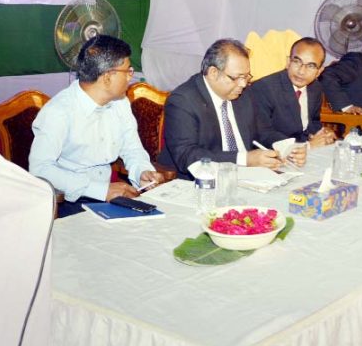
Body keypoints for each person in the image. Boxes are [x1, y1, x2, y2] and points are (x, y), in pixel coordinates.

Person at [29, 35, 167, 218]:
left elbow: (132, 149)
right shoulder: (59, 111)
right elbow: (40, 169)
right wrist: (100, 190)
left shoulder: (120, 103)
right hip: (69, 204)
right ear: (108, 77)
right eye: (127, 71)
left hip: (110, 199)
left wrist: (142, 171)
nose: (130, 78)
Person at [156, 39, 283, 180]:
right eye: (236, 77)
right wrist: (244, 159)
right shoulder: (183, 100)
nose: (243, 84)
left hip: (247, 177)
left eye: (246, 77)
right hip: (198, 182)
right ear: (213, 73)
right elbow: (187, 155)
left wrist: (286, 146)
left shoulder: (244, 94)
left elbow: (263, 131)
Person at [249, 38, 336, 154]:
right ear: (288, 62)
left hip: (306, 150)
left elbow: (313, 121)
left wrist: (322, 134)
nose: (301, 71)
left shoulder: (316, 88)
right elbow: (264, 134)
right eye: (297, 62)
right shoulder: (264, 88)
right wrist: (306, 146)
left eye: (310, 66)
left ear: (319, 71)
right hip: (273, 154)